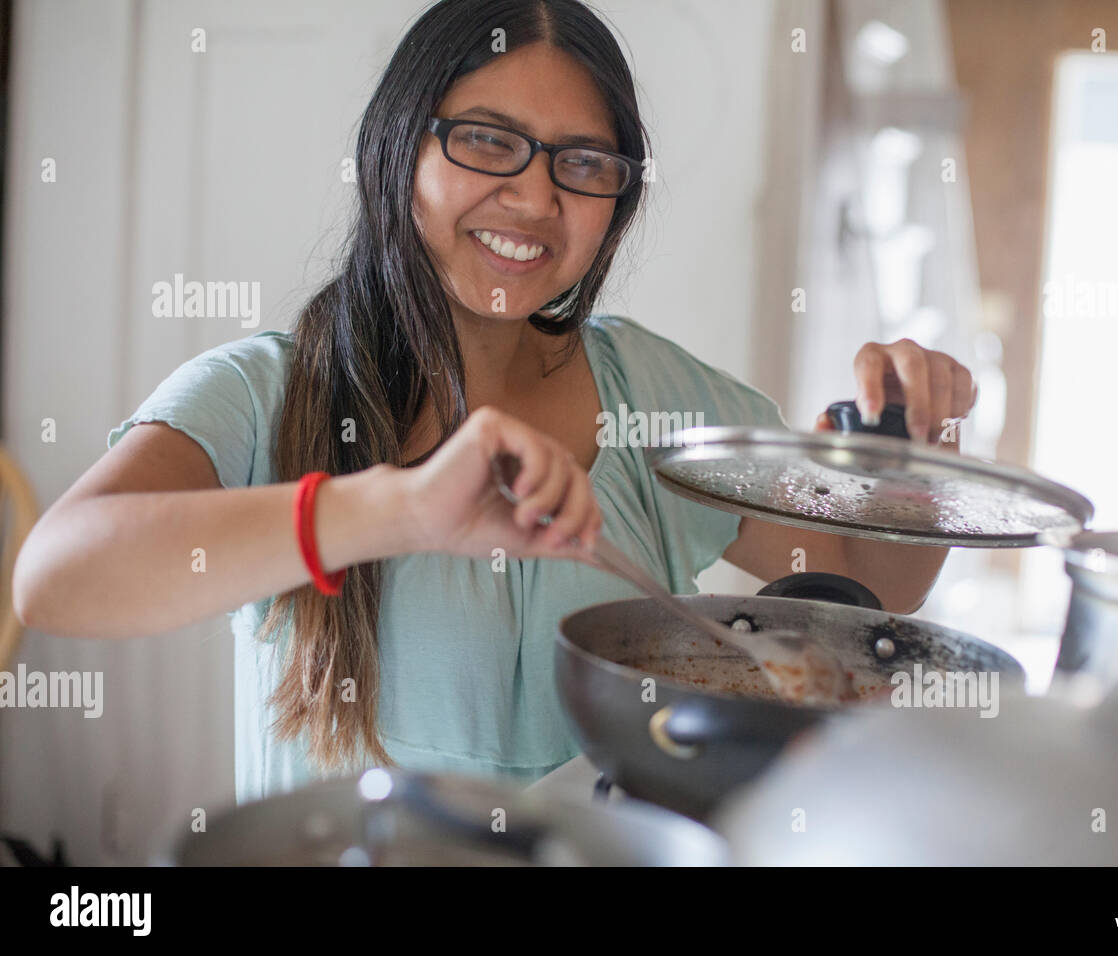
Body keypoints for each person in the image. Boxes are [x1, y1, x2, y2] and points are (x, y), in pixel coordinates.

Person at [13, 0, 975, 804]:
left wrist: (917, 454)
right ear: (400, 150)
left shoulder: (658, 401)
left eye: (583, 163)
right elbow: (54, 577)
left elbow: (867, 591)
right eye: (485, 141)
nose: (533, 197)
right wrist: (393, 508)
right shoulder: (264, 391)